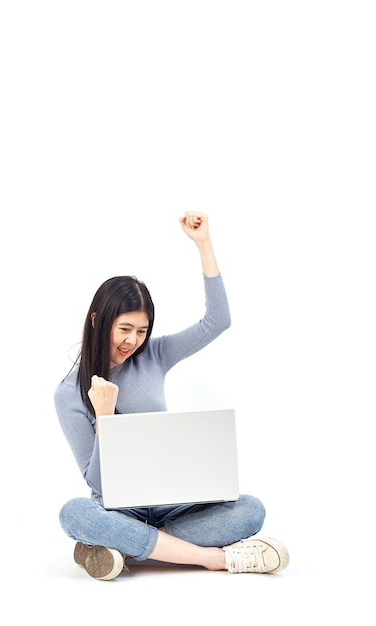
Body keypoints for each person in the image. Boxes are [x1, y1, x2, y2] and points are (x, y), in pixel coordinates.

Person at [54, 211, 289, 581]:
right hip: (121, 511)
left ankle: (124, 551)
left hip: (175, 506)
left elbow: (218, 321)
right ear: (99, 321)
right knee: (74, 513)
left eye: (142, 330)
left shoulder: (155, 355)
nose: (133, 341)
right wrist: (104, 418)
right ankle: (210, 558)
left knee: (250, 509)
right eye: (125, 329)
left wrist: (204, 244)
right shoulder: (68, 393)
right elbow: (98, 485)